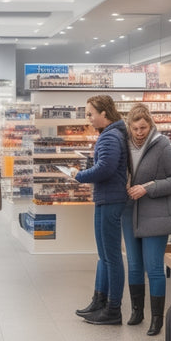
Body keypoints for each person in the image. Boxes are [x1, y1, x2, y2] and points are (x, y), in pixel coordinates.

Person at [122, 102, 171, 336]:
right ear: (128, 127)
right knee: (135, 265)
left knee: (154, 267)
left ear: (150, 125)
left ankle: (157, 319)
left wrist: (148, 187)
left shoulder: (162, 146)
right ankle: (137, 312)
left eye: (144, 128)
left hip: (156, 214)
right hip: (129, 212)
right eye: (135, 128)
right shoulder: (124, 146)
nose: (140, 133)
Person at [73, 95, 128, 325]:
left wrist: (79, 175)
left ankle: (113, 309)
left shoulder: (110, 136)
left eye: (90, 114)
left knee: (111, 256)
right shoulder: (111, 134)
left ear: (104, 113)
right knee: (104, 256)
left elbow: (105, 168)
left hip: (111, 199)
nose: (89, 119)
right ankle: (100, 301)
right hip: (107, 198)